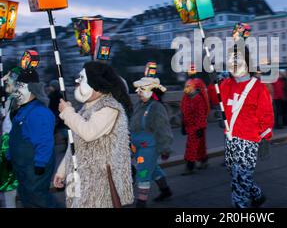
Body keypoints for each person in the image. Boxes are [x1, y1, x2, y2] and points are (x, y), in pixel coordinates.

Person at [54, 61, 134, 208]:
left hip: (96, 182)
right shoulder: (86, 108)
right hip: (78, 177)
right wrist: (62, 171)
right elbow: (75, 144)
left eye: (81, 79)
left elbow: (88, 132)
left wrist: (68, 112)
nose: (77, 83)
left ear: (96, 83)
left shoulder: (109, 108)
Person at [221, 44, 274, 208]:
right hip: (230, 138)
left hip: (249, 140)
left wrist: (265, 138)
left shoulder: (258, 88)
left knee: (240, 181)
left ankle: (239, 207)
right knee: (234, 173)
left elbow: (267, 115)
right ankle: (257, 194)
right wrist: (209, 80)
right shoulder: (225, 85)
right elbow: (214, 98)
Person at [6, 68, 56, 207]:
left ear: (32, 89)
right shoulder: (21, 111)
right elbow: (13, 137)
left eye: (20, 86)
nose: (16, 91)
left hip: (34, 167)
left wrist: (40, 163)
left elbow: (45, 141)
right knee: (26, 197)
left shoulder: (38, 112)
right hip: (22, 167)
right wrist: (10, 157)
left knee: (38, 199)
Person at [130, 75, 173, 207]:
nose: (138, 92)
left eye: (141, 89)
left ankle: (141, 202)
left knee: (143, 171)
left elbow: (163, 130)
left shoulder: (156, 107)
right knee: (153, 169)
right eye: (138, 90)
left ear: (152, 91)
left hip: (149, 147)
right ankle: (165, 190)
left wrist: (165, 149)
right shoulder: (139, 105)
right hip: (137, 147)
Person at [0, 68, 21, 208]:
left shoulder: (19, 100)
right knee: (9, 185)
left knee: (11, 183)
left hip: (13, 145)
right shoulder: (10, 100)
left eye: (9, 79)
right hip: (7, 144)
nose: (6, 81)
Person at [180, 78, 209, 175]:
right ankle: (204, 160)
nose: (186, 88)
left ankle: (190, 166)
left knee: (191, 147)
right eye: (186, 86)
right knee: (200, 145)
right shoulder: (186, 98)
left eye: (188, 86)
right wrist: (183, 125)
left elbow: (201, 114)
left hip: (197, 127)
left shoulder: (198, 99)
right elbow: (184, 112)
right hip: (190, 126)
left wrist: (200, 127)